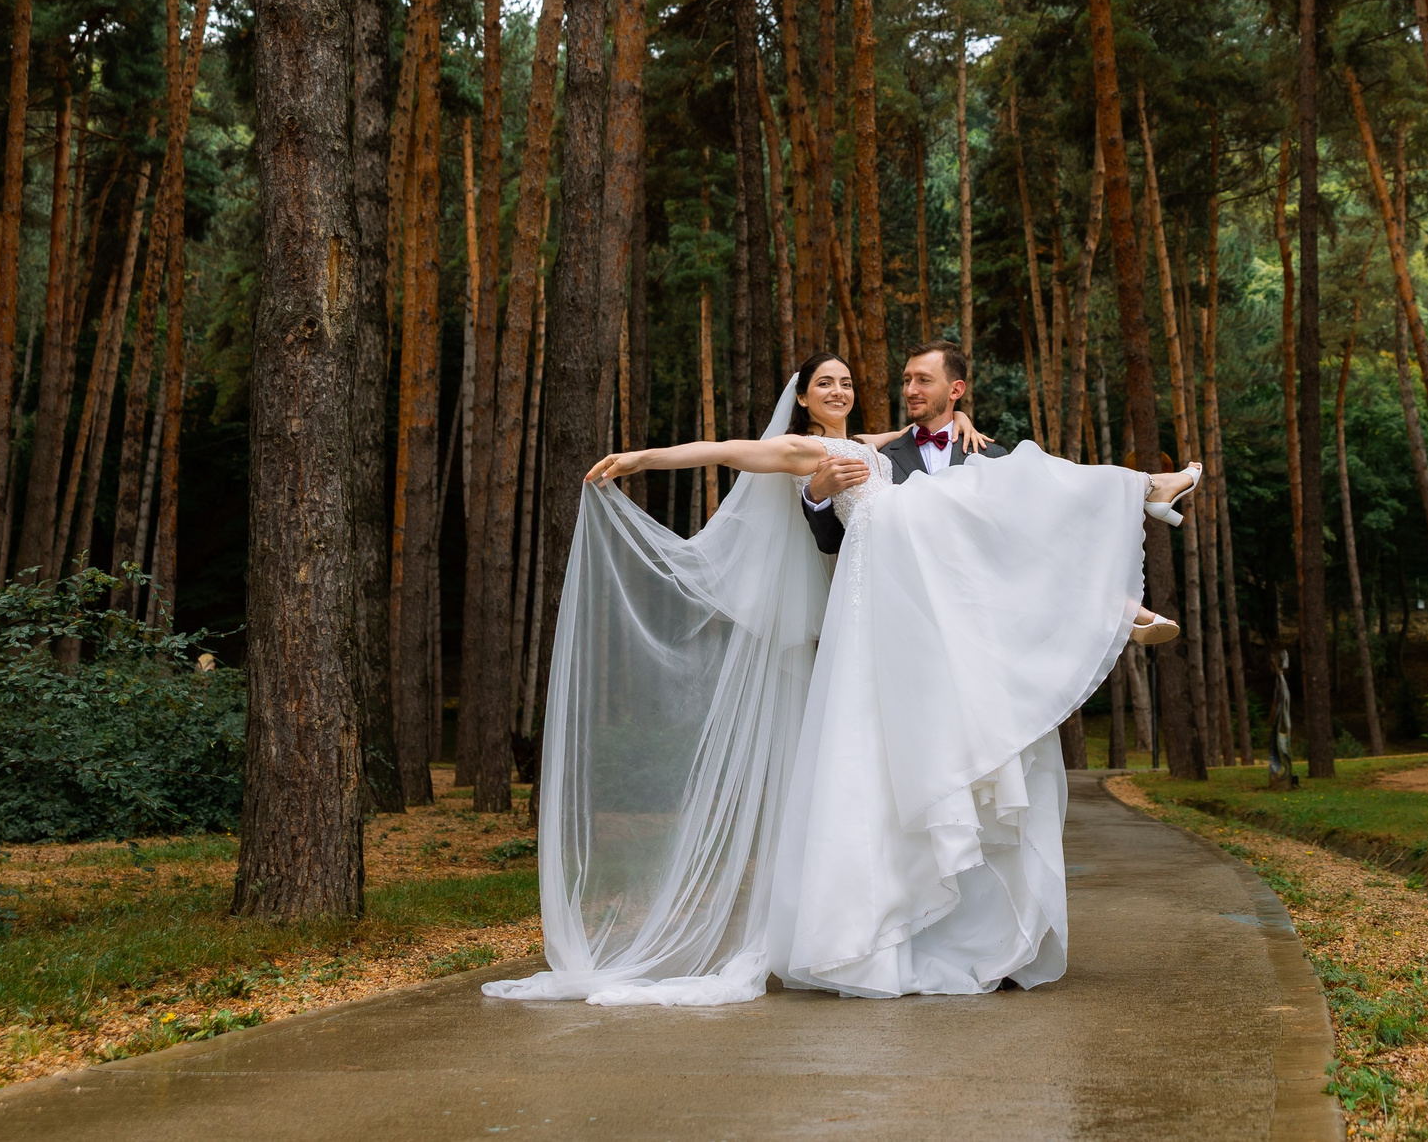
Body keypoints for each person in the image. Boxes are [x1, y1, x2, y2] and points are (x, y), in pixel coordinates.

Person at [485, 347, 1197, 1008]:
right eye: (824, 382)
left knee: (1011, 478)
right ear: (802, 397)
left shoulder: (880, 444)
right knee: (991, 500)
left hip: (935, 610)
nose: (840, 389)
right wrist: (645, 456)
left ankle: (1115, 589)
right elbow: (732, 450)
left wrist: (956, 416)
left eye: (846, 382)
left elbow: (919, 428)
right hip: (880, 605)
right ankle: (1125, 549)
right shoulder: (813, 451)